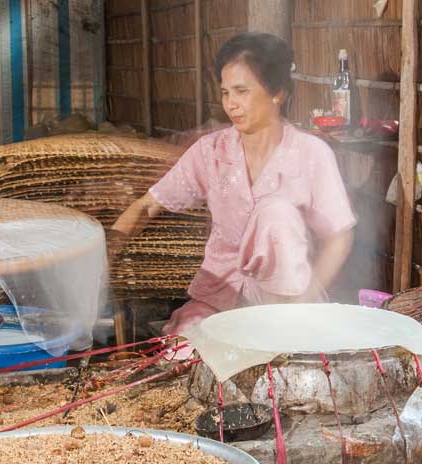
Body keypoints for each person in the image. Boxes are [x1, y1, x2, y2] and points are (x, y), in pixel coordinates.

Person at [110, 32, 356, 337]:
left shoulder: (311, 154)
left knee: (275, 213)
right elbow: (148, 205)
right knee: (188, 353)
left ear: (277, 92)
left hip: (287, 306)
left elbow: (340, 236)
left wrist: (306, 300)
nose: (231, 104)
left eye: (241, 91)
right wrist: (106, 253)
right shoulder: (212, 151)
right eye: (226, 93)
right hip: (220, 297)